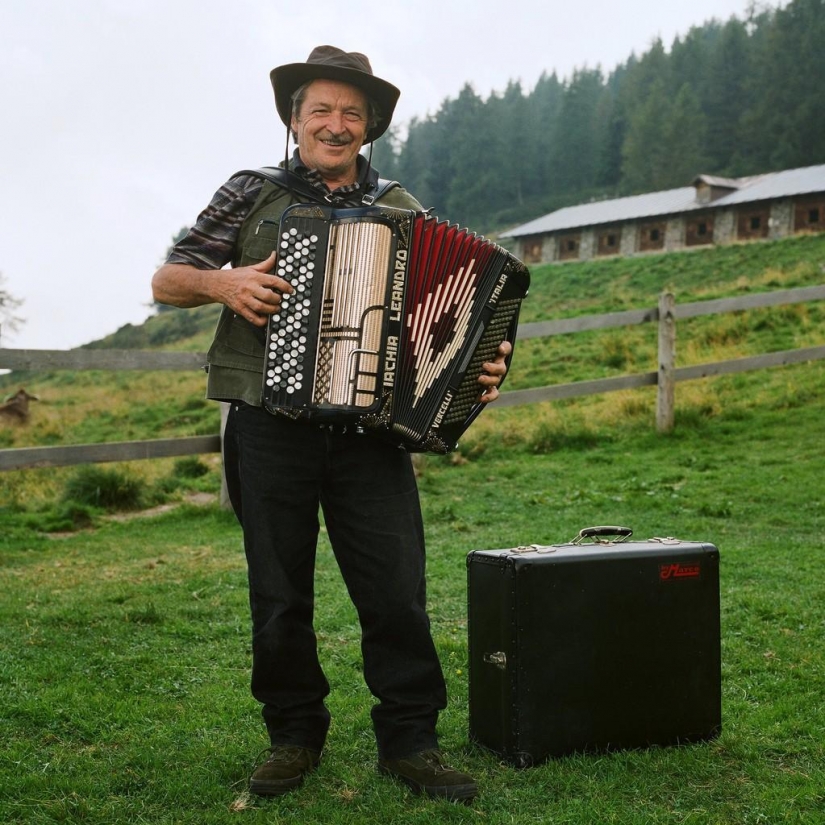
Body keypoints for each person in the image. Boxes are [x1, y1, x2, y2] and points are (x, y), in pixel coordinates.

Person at [152, 45, 511, 803]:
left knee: (396, 592)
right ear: (294, 119)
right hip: (268, 425)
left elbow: (454, 310)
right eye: (321, 109)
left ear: (369, 125)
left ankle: (411, 741)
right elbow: (167, 277)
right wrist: (224, 282)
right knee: (279, 592)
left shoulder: (402, 207)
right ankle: (292, 736)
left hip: (370, 437)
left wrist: (479, 363)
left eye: (352, 112)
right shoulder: (252, 192)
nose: (336, 124)